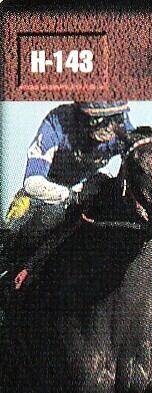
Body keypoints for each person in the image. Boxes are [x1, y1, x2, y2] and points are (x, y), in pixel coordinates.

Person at [0, 100, 134, 282]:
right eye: (105, 120)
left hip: (83, 189)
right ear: (83, 117)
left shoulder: (121, 124)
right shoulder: (57, 122)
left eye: (117, 118)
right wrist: (71, 196)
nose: (113, 128)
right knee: (49, 216)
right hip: (44, 196)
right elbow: (32, 182)